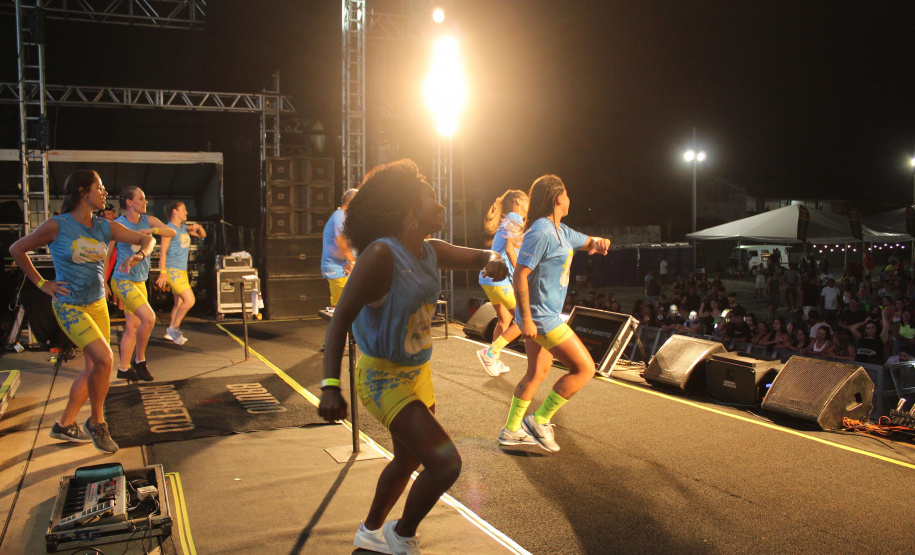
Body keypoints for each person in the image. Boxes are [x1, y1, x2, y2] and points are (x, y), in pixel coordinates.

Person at [317, 160, 508, 554]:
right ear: (408, 211)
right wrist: (331, 385)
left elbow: (477, 258)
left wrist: (492, 259)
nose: (440, 206)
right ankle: (401, 534)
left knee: (406, 461)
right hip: (381, 378)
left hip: (418, 373)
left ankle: (370, 531)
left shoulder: (431, 250)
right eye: (432, 199)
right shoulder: (380, 256)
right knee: (446, 463)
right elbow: (339, 323)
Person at [9, 170, 153, 454]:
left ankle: (64, 425)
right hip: (69, 306)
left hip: (98, 304)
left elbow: (145, 240)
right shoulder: (57, 226)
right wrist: (42, 283)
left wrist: (139, 255)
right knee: (105, 360)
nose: (104, 192)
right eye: (99, 187)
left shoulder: (104, 226)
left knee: (93, 368)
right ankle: (97, 422)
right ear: (83, 191)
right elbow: (17, 249)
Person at [500, 174, 611, 453]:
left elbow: (588, 242)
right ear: (559, 198)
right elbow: (520, 275)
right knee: (585, 368)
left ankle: (511, 431)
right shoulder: (541, 231)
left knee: (537, 372)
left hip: (543, 314)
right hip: (542, 316)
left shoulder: (560, 230)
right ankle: (540, 421)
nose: (570, 199)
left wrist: (600, 241)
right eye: (567, 194)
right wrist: (525, 318)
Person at [105, 187, 175, 382]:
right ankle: (140, 360)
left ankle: (123, 368)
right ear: (129, 202)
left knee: (133, 326)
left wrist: (153, 230)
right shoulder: (117, 225)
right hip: (122, 280)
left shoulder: (148, 220)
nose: (145, 202)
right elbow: (108, 254)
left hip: (140, 281)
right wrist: (104, 281)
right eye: (141, 198)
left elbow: (171, 231)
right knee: (149, 319)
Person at [476, 190, 529, 376]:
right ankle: (490, 352)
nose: (529, 205)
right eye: (527, 201)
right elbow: (509, 249)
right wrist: (522, 275)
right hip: (501, 279)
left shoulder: (508, 220)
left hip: (488, 278)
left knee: (505, 320)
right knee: (524, 320)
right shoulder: (515, 217)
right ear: (518, 202)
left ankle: (494, 360)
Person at [156, 201, 206, 345]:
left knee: (178, 303)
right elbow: (163, 251)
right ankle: (174, 328)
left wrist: (199, 226)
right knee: (189, 300)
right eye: (183, 210)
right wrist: (163, 272)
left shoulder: (183, 227)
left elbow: (203, 234)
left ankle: (169, 333)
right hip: (173, 270)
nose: (186, 212)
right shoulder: (169, 229)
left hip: (182, 270)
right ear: (174, 212)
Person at [321, 189, 358, 306]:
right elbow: (341, 242)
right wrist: (352, 261)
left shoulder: (342, 216)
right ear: (352, 202)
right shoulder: (339, 217)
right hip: (337, 270)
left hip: (342, 268)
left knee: (343, 306)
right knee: (343, 306)